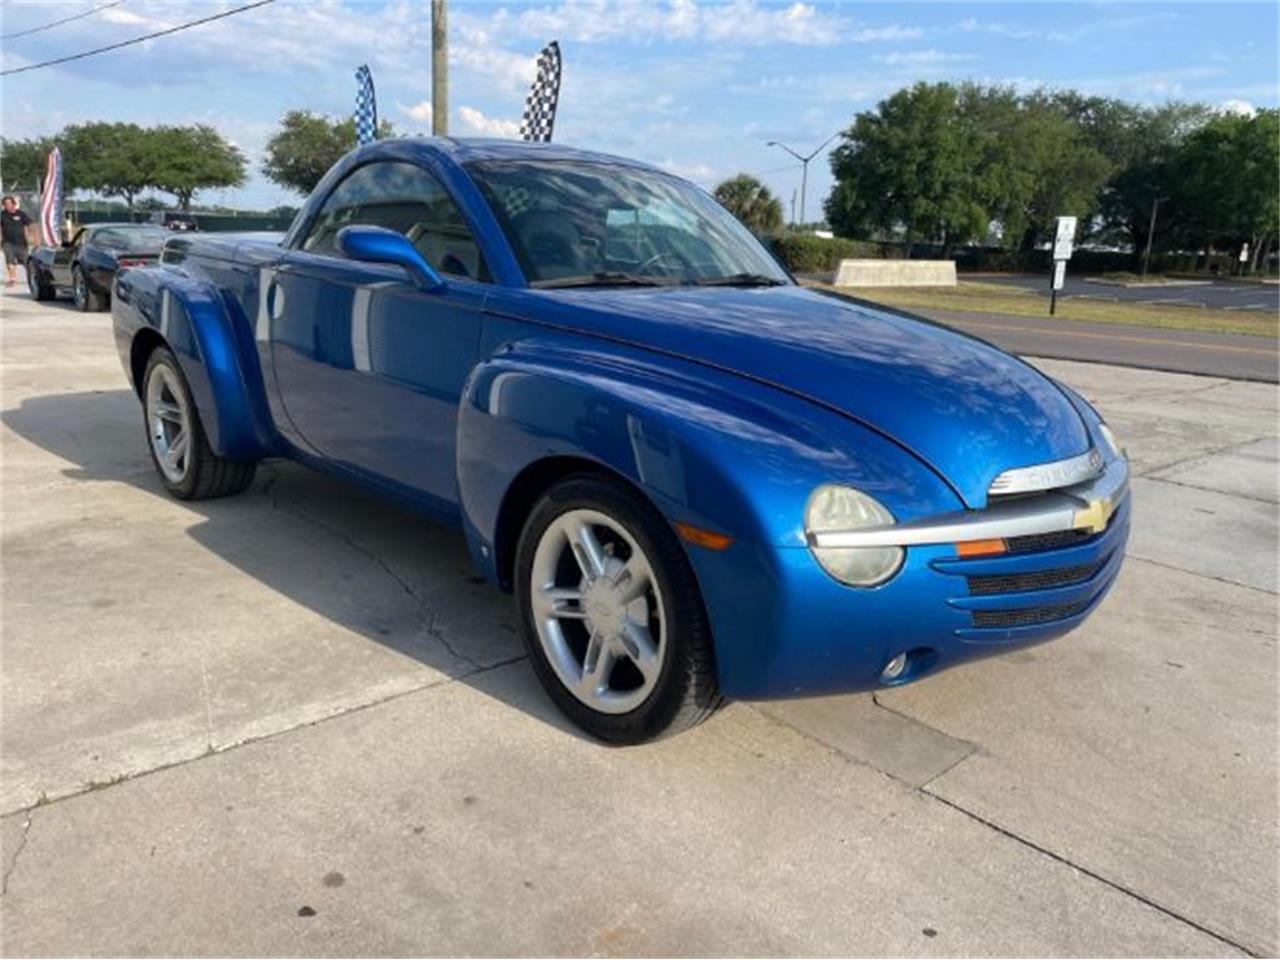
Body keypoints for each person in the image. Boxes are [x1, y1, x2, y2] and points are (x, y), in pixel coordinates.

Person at [2, 196, 34, 288]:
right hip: (8, 242)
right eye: (5, 204)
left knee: (26, 262)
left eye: (10, 203)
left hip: (21, 243)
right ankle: (12, 279)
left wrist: (30, 236)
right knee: (10, 260)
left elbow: (30, 224)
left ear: (14, 204)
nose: (8, 205)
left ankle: (32, 278)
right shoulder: (2, 215)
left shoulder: (21, 214)